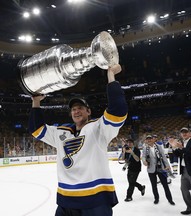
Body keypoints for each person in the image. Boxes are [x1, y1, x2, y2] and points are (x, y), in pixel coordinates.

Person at [29, 64, 128, 216]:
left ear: (88, 111)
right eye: (73, 109)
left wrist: (111, 76)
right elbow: (37, 130)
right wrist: (36, 101)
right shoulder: (62, 132)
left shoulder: (99, 128)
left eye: (80, 108)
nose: (76, 111)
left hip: (96, 201)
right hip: (65, 200)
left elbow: (118, 111)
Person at [170, 127, 191, 216]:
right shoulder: (182, 143)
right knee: (183, 189)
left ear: (189, 133)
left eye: (186, 132)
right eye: (182, 132)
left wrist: (182, 148)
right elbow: (178, 154)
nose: (184, 134)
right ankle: (190, 208)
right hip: (184, 170)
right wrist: (174, 147)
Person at [142, 135, 175, 205]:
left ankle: (170, 199)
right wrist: (144, 161)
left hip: (161, 168)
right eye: (147, 139)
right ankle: (156, 198)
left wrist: (167, 166)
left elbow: (163, 157)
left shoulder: (158, 147)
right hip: (151, 169)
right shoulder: (145, 148)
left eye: (150, 139)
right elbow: (143, 157)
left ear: (153, 139)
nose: (149, 140)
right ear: (146, 140)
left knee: (165, 185)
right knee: (154, 185)